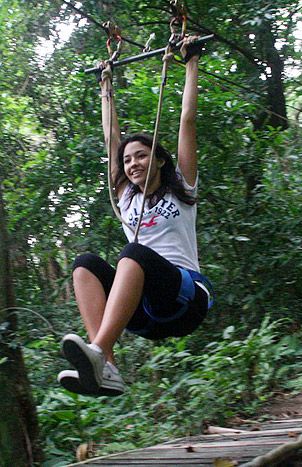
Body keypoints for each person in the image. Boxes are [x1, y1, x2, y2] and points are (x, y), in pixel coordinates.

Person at [57, 37, 213, 397]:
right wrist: (105, 85)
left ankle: (97, 350)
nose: (132, 164)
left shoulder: (182, 189)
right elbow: (112, 137)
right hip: (145, 313)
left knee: (132, 254)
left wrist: (191, 64)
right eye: (127, 160)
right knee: (84, 263)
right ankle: (106, 364)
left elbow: (187, 122)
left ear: (158, 159)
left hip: (186, 299)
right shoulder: (126, 196)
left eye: (141, 156)